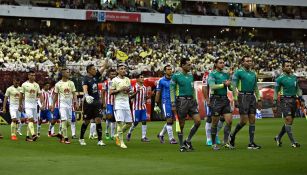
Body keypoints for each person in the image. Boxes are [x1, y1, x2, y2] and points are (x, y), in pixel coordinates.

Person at [229, 55, 262, 149]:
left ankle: (251, 143)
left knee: (252, 119)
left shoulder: (253, 73)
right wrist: (235, 99)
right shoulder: (238, 72)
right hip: (242, 96)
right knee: (243, 121)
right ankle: (232, 134)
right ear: (242, 62)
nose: (249, 62)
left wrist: (259, 99)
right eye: (247, 61)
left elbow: (255, 87)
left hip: (252, 96)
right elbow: (234, 86)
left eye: (250, 61)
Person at [170, 58, 201, 152]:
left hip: (191, 101)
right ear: (182, 65)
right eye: (188, 64)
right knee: (181, 124)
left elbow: (193, 89)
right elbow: (172, 89)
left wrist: (195, 100)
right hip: (181, 101)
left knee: (198, 121)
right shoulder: (176, 76)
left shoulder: (191, 75)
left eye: (190, 64)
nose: (190, 66)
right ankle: (181, 145)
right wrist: (173, 103)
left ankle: (187, 141)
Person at [273, 61, 303, 148]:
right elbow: (275, 91)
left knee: (289, 122)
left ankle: (278, 137)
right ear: (283, 68)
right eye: (287, 66)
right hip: (285, 100)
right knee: (288, 119)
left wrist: (301, 98)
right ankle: (293, 142)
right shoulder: (279, 79)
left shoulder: (294, 77)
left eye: (290, 65)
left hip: (294, 100)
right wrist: (274, 102)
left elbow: (298, 89)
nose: (289, 67)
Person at [207, 58, 234, 150]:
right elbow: (212, 86)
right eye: (220, 63)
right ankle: (213, 143)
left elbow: (230, 88)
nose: (223, 64)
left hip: (225, 99)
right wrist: (223, 85)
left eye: (223, 63)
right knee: (214, 123)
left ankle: (226, 142)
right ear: (215, 64)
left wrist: (229, 83)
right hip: (215, 100)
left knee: (229, 121)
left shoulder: (225, 74)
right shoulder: (212, 74)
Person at [79, 63, 107, 146]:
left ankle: (100, 140)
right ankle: (81, 138)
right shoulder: (85, 78)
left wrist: (105, 63)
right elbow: (85, 88)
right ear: (89, 70)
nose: (95, 70)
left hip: (97, 102)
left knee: (98, 120)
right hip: (89, 102)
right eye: (94, 69)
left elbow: (102, 70)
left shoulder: (95, 77)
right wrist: (86, 95)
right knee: (86, 121)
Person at [52, 68, 78, 144]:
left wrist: (76, 102)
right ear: (63, 74)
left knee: (69, 123)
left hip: (70, 105)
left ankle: (60, 134)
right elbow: (55, 96)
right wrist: (53, 105)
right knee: (63, 120)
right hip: (62, 105)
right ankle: (66, 139)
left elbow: (74, 93)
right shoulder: (58, 84)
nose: (69, 73)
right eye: (67, 72)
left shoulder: (71, 83)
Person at [110, 63, 133, 149]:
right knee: (119, 123)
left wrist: (128, 90)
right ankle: (121, 141)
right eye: (121, 69)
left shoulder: (127, 79)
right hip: (118, 103)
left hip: (126, 103)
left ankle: (117, 135)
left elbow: (130, 90)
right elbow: (111, 92)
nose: (123, 70)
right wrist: (120, 89)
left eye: (124, 69)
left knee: (129, 123)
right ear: (117, 70)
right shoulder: (114, 80)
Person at [19, 70, 44, 142]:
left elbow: (40, 95)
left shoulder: (37, 85)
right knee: (31, 119)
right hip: (27, 105)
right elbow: (21, 95)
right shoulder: (24, 84)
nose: (33, 77)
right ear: (28, 76)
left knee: (32, 121)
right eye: (32, 75)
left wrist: (43, 103)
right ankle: (33, 134)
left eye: (34, 75)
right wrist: (20, 105)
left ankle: (27, 137)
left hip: (34, 105)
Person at [155, 65, 177, 144]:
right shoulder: (161, 81)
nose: (170, 71)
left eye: (171, 69)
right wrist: (156, 104)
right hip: (166, 102)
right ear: (165, 71)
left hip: (174, 102)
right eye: (168, 69)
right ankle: (172, 139)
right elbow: (158, 92)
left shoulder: (174, 79)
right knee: (169, 120)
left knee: (171, 122)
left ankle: (161, 135)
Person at [127, 73, 150, 142]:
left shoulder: (144, 87)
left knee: (144, 121)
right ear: (137, 79)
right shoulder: (133, 87)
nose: (143, 79)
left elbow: (145, 97)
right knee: (136, 122)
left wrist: (149, 96)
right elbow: (130, 97)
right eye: (141, 77)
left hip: (143, 107)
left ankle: (143, 137)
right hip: (136, 107)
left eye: (143, 77)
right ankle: (129, 132)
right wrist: (136, 92)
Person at [202, 69, 223, 146]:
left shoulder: (223, 73)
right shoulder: (207, 73)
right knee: (210, 118)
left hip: (222, 99)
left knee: (223, 117)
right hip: (211, 99)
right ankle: (209, 139)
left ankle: (215, 134)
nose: (222, 64)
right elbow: (204, 87)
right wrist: (207, 99)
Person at [102, 69, 117, 140]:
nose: (113, 76)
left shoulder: (117, 82)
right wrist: (103, 103)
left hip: (116, 103)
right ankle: (106, 131)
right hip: (109, 103)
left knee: (114, 119)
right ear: (109, 75)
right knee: (109, 117)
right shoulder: (105, 82)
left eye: (114, 74)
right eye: (112, 74)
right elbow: (102, 93)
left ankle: (112, 135)